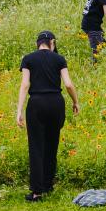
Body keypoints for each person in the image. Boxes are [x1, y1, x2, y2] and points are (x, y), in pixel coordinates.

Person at [15, 30, 79, 201]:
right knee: (52, 144)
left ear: (38, 43)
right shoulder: (59, 59)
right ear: (52, 42)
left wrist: (19, 110)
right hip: (56, 103)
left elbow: (25, 84)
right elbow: (68, 84)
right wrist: (75, 102)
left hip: (36, 104)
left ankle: (37, 192)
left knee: (36, 146)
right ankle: (48, 184)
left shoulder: (28, 59)